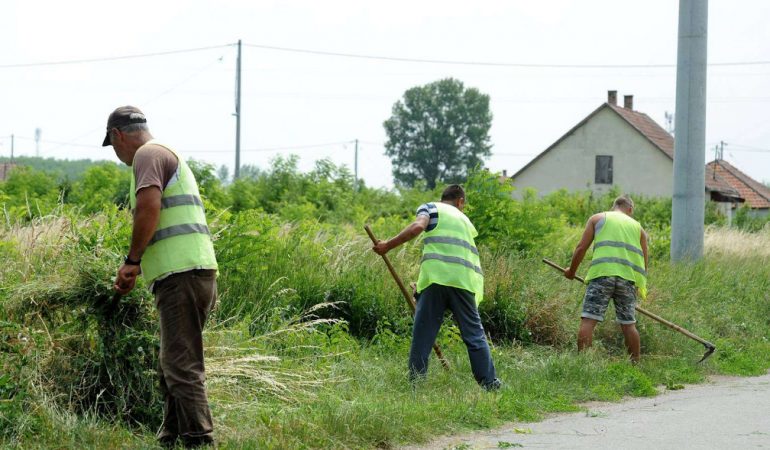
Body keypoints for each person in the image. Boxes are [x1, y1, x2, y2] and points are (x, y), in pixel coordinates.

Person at [104, 106, 218, 448]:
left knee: (181, 364)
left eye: (114, 146)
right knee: (172, 361)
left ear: (117, 136)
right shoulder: (167, 153)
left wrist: (132, 261)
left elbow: (148, 208)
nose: (119, 156)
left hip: (181, 273)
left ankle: (199, 440)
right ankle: (170, 436)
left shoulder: (147, 155)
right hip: (193, 271)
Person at [372, 184, 501, 390]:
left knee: (423, 335)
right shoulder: (466, 221)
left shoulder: (431, 208)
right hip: (464, 283)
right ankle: (490, 384)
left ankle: (416, 385)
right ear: (460, 202)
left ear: (444, 198)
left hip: (436, 281)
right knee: (475, 335)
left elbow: (417, 227)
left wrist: (388, 245)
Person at [564, 195, 648, 363]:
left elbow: (581, 248)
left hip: (602, 274)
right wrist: (639, 286)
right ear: (630, 210)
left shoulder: (598, 218)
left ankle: (584, 364)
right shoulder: (638, 228)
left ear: (613, 207)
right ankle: (636, 366)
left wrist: (571, 271)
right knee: (628, 324)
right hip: (627, 279)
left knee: (589, 319)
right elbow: (644, 262)